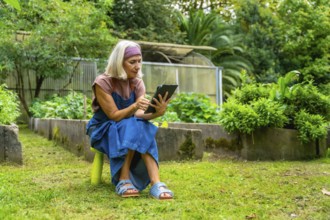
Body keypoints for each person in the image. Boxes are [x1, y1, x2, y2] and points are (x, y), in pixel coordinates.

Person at [86, 40, 174, 200]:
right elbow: (114, 115)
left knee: (141, 124)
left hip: (128, 127)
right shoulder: (103, 82)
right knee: (133, 124)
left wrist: (157, 113)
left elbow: (140, 114)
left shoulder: (137, 82)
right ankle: (124, 179)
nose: (137, 66)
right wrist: (134, 106)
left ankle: (155, 182)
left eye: (139, 61)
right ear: (119, 63)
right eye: (132, 62)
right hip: (103, 128)